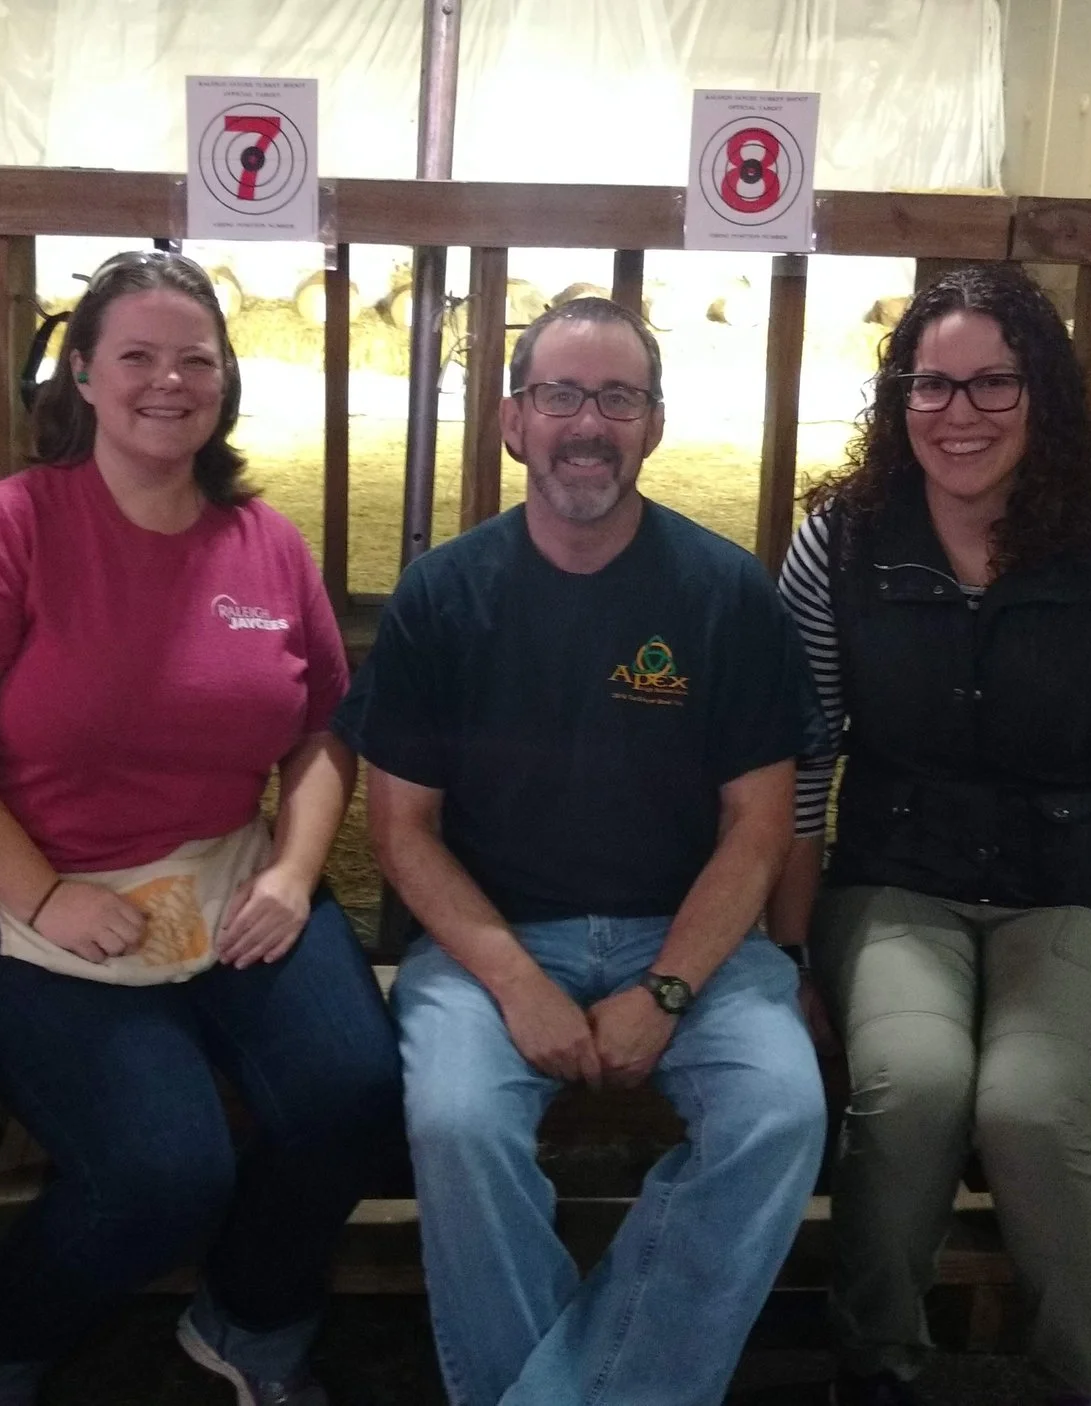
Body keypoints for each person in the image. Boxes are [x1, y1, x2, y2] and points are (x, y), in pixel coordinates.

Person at [0, 250, 401, 1406]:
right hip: (29, 893)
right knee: (163, 1169)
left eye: (196, 359)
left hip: (225, 874)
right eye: (138, 357)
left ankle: (251, 1318)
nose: (170, 381)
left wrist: (297, 870)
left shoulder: (265, 539)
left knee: (354, 1092)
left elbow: (320, 732)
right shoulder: (3, 530)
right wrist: (43, 890)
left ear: (225, 382)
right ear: (82, 373)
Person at [335, 296, 827, 1406]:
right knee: (458, 1120)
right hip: (490, 939)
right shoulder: (441, 594)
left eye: (617, 397)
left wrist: (667, 985)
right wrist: (516, 983)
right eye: (561, 394)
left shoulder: (725, 593)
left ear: (653, 423)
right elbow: (399, 832)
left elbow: (760, 826)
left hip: (687, 934)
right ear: (513, 419)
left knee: (781, 1109)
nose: (587, 423)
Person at [769, 262, 1091, 1406]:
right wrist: (787, 954)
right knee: (910, 1085)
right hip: (894, 880)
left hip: (1070, 889)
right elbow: (800, 771)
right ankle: (875, 1360)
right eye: (931, 386)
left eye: (990, 386)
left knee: (1026, 1103)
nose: (956, 414)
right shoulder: (839, 546)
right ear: (897, 399)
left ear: (1043, 397)